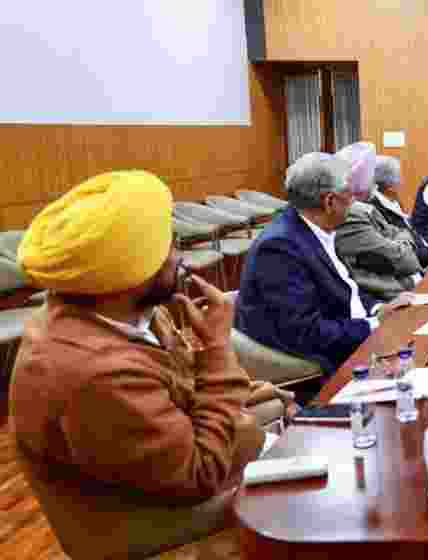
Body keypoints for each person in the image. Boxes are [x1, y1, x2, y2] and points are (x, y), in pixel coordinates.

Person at [10, 171, 292, 558]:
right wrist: (217, 349)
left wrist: (247, 395)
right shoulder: (92, 372)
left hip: (177, 478)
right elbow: (200, 474)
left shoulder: (131, 308)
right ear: (128, 269)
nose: (180, 257)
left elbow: (185, 395)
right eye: (167, 247)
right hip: (155, 529)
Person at [236, 149, 411, 378]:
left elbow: (346, 289)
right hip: (320, 359)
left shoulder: (318, 228)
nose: (354, 201)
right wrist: (373, 325)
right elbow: (305, 332)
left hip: (348, 330)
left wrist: (379, 309)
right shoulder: (279, 248)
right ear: (330, 202)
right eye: (349, 194)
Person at [335, 148, 428, 300]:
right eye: (370, 175)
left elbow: (404, 237)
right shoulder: (356, 213)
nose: (373, 181)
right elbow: (405, 259)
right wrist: (406, 243)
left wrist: (402, 243)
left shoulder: (374, 207)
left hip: (413, 278)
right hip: (398, 291)